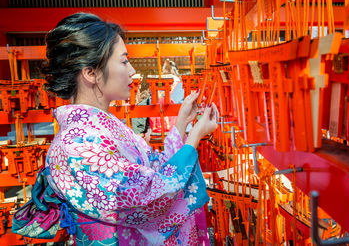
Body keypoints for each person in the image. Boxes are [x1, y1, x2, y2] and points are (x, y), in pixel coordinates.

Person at [13, 13, 218, 245]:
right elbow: (150, 200)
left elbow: (152, 173)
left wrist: (182, 124)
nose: (132, 71)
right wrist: (194, 138)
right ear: (91, 73)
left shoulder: (102, 129)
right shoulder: (76, 145)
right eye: (123, 61)